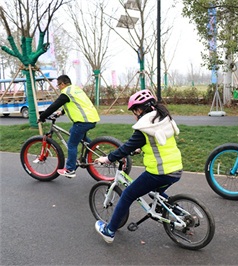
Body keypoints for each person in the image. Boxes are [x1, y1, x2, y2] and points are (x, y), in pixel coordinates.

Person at [94, 89, 183, 244]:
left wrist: (108, 158)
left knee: (128, 194)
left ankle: (109, 231)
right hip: (176, 168)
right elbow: (157, 141)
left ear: (139, 109)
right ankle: (179, 214)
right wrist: (140, 147)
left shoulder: (144, 126)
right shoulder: (162, 118)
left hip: (159, 172)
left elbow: (125, 148)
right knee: (155, 193)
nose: (134, 115)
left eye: (134, 111)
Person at [38, 75, 100, 178]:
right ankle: (92, 145)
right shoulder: (75, 89)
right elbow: (76, 103)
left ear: (62, 84)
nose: (58, 87)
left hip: (82, 121)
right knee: (73, 132)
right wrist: (61, 112)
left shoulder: (66, 92)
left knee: (72, 144)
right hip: (91, 119)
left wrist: (42, 116)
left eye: (58, 85)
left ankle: (70, 170)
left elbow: (54, 105)